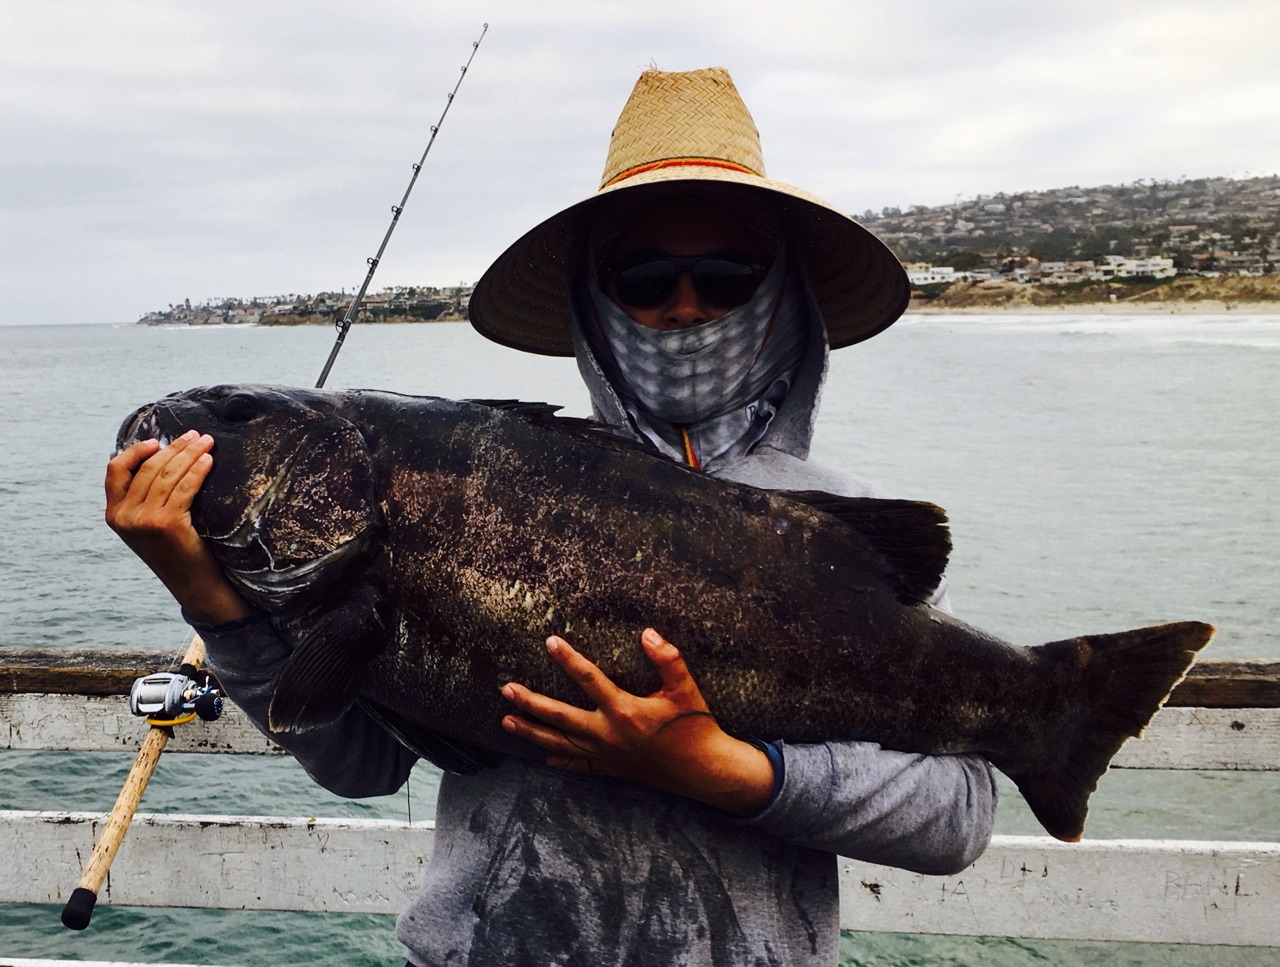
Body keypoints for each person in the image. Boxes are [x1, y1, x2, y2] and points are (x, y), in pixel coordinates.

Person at [105, 67, 996, 966]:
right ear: (593, 297)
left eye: (729, 275)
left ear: (783, 294)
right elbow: (360, 767)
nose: (685, 304)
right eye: (643, 275)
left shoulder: (844, 527)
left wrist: (727, 770)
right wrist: (210, 598)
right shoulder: (491, 473)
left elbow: (959, 814)